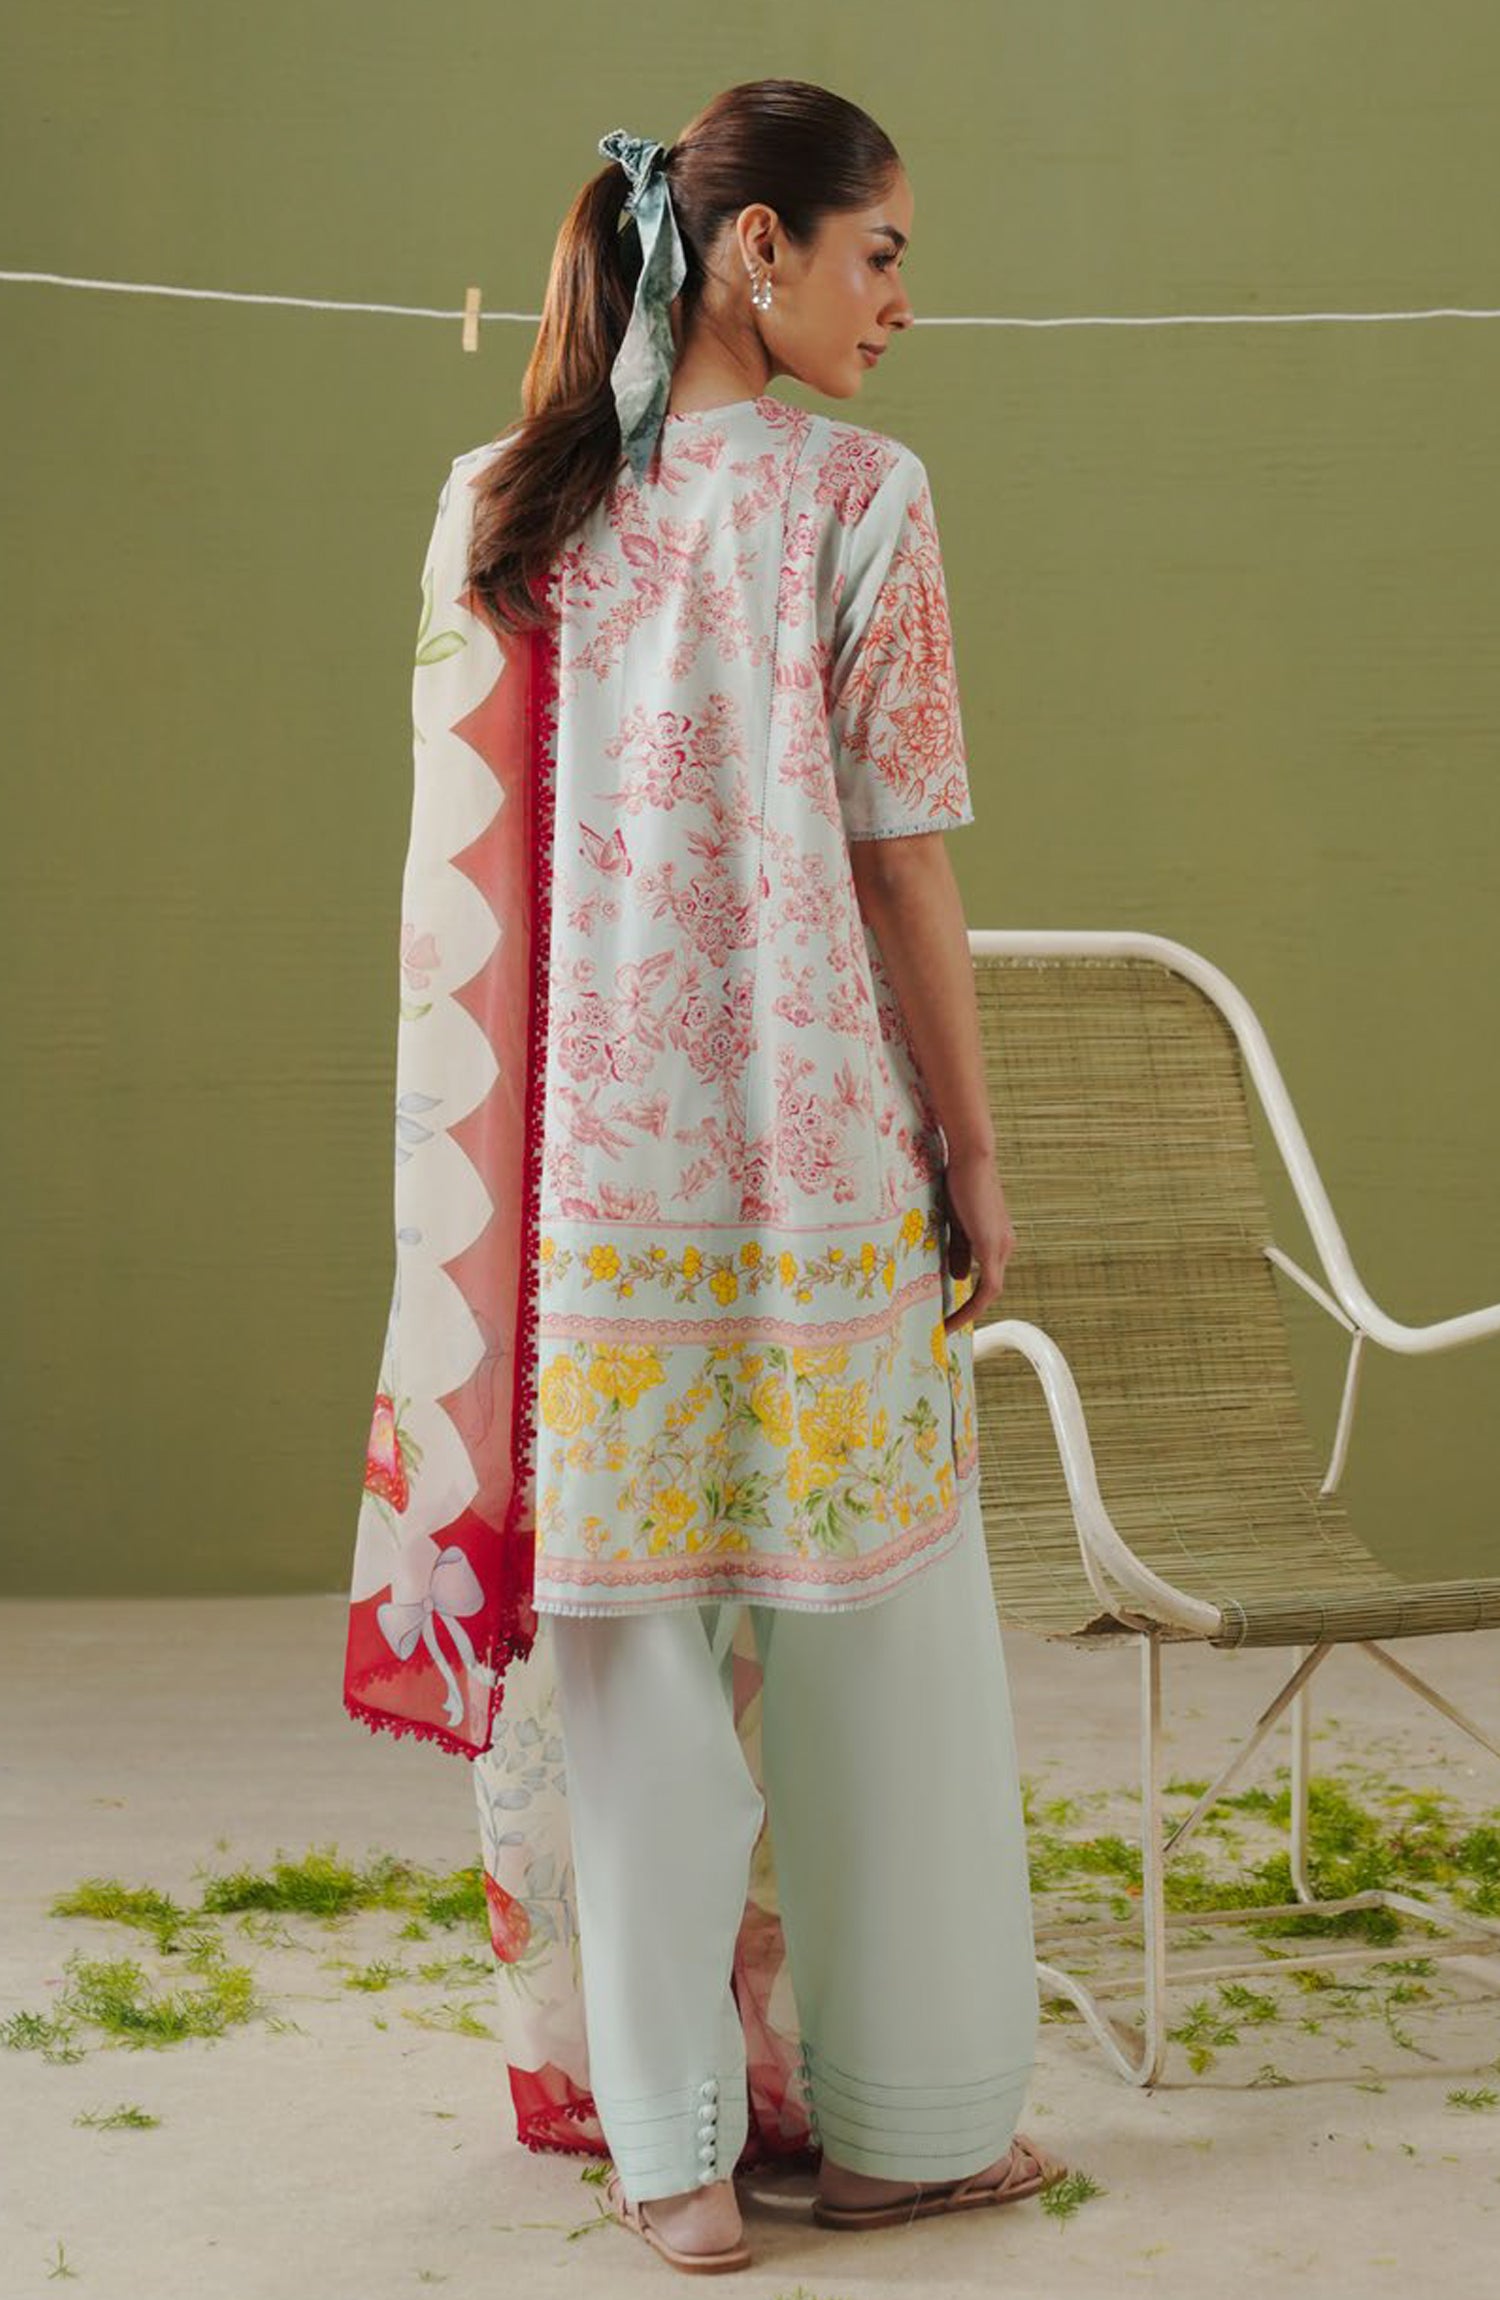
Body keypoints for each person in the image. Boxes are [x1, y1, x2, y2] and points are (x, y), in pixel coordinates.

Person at [344, 76, 1063, 2277]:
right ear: (757, 250)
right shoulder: (861, 494)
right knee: (885, 1652)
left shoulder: (506, 508)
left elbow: (466, 897)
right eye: (880, 255)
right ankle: (902, 2130)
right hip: (823, 1161)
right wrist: (975, 1152)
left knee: (634, 1665)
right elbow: (903, 860)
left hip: (590, 1184)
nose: (903, 303)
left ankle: (669, 2153)